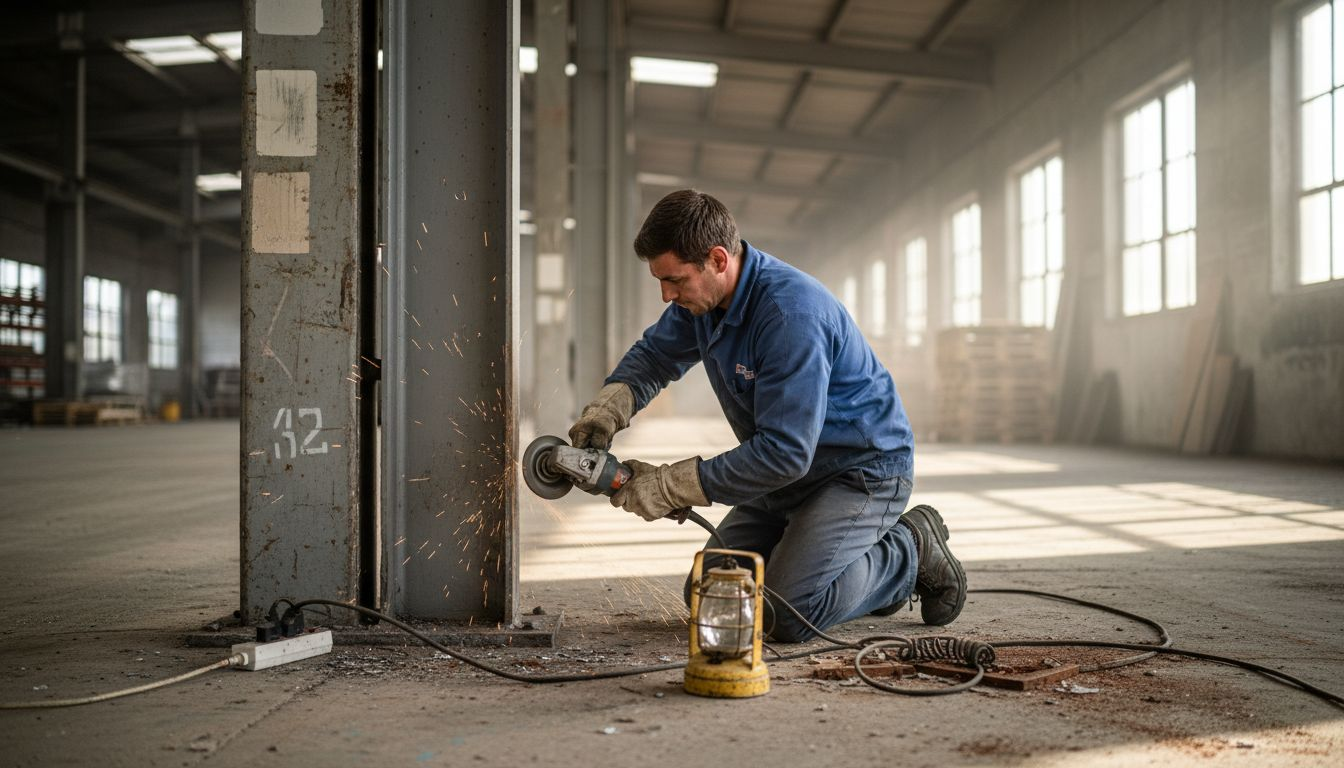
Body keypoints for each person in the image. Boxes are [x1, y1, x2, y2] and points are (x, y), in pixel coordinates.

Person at [567, 189, 966, 642]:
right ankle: (847, 566)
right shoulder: (702, 303)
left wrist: (669, 484)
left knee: (786, 614)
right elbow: (654, 357)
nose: (665, 295)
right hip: (785, 477)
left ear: (718, 259)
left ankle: (908, 548)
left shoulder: (789, 315)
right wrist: (605, 412)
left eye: (674, 280)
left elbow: (785, 453)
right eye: (660, 281)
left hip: (858, 471)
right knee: (712, 598)